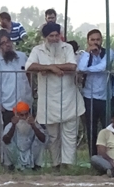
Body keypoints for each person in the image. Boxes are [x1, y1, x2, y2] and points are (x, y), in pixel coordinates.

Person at [26, 22, 83, 169]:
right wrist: (50, 67)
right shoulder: (37, 50)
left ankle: (68, 165)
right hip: (48, 100)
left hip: (69, 98)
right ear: (45, 37)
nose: (55, 38)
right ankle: (56, 164)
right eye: (51, 36)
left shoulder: (67, 47)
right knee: (53, 136)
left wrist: (49, 69)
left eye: (57, 35)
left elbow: (72, 66)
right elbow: (29, 66)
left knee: (69, 135)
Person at [0, 30, 31, 168]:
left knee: (26, 135)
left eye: (8, 41)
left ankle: (26, 163)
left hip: (26, 105)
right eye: (3, 43)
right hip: (9, 107)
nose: (7, 45)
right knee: (8, 137)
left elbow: (29, 75)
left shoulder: (22, 57)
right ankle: (9, 163)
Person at [78, 29, 110, 159]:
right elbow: (81, 68)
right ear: (88, 41)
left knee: (107, 129)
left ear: (101, 40)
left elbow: (102, 67)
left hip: (105, 97)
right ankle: (93, 158)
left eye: (98, 39)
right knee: (91, 129)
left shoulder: (108, 53)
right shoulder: (84, 55)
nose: (95, 42)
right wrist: (88, 53)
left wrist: (87, 70)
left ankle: (108, 157)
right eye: (92, 40)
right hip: (89, 96)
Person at [1, 101, 46, 171]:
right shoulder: (10, 125)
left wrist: (33, 125)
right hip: (16, 154)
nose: (24, 117)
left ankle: (37, 166)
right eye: (21, 115)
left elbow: (43, 139)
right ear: (16, 115)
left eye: (26, 114)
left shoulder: (34, 124)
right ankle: (10, 166)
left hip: (31, 154)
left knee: (39, 140)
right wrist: (13, 125)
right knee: (6, 143)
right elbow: (6, 140)